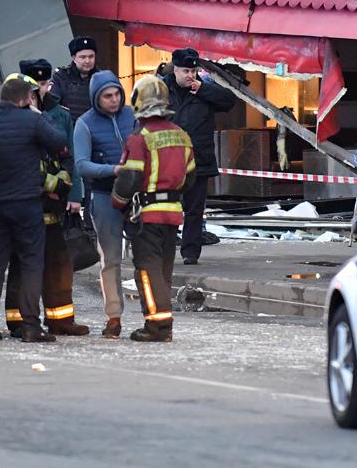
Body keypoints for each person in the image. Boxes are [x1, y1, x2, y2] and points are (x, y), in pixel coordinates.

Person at [0, 75, 69, 342]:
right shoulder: (32, 120)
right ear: (26, 99)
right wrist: (36, 115)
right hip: (27, 203)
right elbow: (59, 142)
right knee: (32, 262)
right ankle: (31, 327)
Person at [0, 60, 90, 337]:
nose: (39, 89)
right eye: (33, 85)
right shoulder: (15, 120)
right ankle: (17, 320)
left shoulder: (57, 114)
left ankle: (60, 319)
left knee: (59, 263)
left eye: (42, 84)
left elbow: (68, 155)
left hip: (52, 203)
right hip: (26, 204)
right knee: (22, 264)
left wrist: (72, 193)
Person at [112, 76, 196, 342]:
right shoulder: (182, 135)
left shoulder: (139, 138)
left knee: (147, 271)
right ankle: (163, 324)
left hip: (147, 215)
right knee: (163, 270)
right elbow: (191, 178)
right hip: (172, 212)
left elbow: (129, 179)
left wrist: (118, 202)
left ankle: (157, 326)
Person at [73, 70, 137, 338]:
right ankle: (114, 317)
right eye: (106, 96)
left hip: (136, 195)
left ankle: (153, 315)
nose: (113, 100)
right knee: (110, 259)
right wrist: (113, 170)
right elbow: (81, 164)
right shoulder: (84, 123)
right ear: (95, 98)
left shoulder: (132, 115)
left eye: (116, 94)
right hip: (103, 196)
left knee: (145, 258)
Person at [162, 48, 237, 265]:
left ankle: (190, 253)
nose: (190, 75)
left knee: (194, 210)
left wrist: (203, 89)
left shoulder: (204, 88)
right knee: (168, 207)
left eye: (193, 70)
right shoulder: (162, 89)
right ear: (175, 69)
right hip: (169, 161)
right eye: (185, 71)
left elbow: (229, 101)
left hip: (198, 159)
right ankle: (165, 249)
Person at [51, 36, 100, 121]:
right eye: (83, 57)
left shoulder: (102, 78)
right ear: (74, 57)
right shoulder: (61, 77)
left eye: (91, 56)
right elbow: (51, 106)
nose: (87, 61)